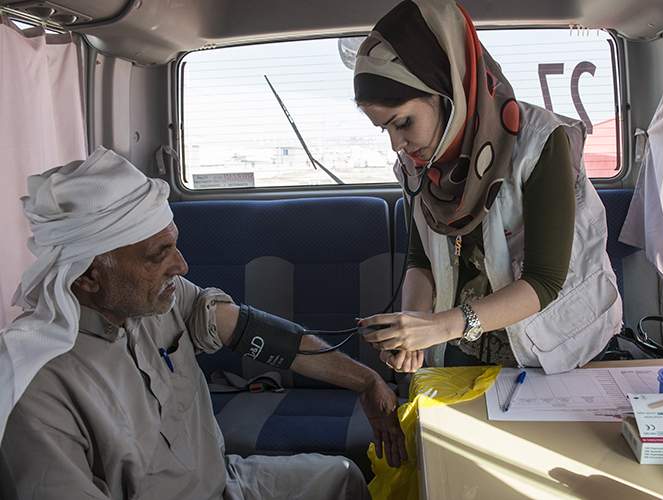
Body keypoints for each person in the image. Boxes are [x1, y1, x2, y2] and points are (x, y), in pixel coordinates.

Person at [0, 147, 407, 500]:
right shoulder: (36, 388)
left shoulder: (162, 298)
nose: (181, 266)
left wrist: (367, 381)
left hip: (224, 484)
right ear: (88, 276)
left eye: (175, 244)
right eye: (159, 255)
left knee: (343, 479)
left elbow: (260, 335)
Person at [354, 0, 623, 374]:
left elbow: (544, 281)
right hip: (466, 344)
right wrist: (413, 326)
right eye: (386, 129)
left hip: (556, 344)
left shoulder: (541, 141)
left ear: (447, 92)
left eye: (403, 122)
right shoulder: (417, 164)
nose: (397, 145)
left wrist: (439, 326)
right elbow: (421, 260)